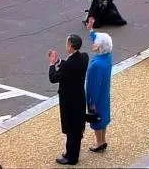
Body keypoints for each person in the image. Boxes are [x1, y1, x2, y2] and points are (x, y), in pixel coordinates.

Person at [48, 34, 89, 165]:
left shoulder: (68, 66)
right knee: (77, 128)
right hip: (79, 98)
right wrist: (59, 61)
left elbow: (53, 78)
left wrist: (51, 64)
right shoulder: (83, 57)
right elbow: (70, 64)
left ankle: (71, 157)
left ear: (71, 46)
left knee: (71, 130)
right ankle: (71, 153)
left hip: (69, 101)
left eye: (67, 43)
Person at [85, 17, 112, 152]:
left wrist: (91, 103)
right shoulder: (108, 57)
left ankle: (99, 142)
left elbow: (92, 87)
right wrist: (91, 29)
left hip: (97, 97)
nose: (93, 44)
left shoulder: (95, 65)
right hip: (105, 93)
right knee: (104, 117)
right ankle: (103, 140)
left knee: (96, 119)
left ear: (99, 47)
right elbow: (100, 38)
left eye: (95, 43)